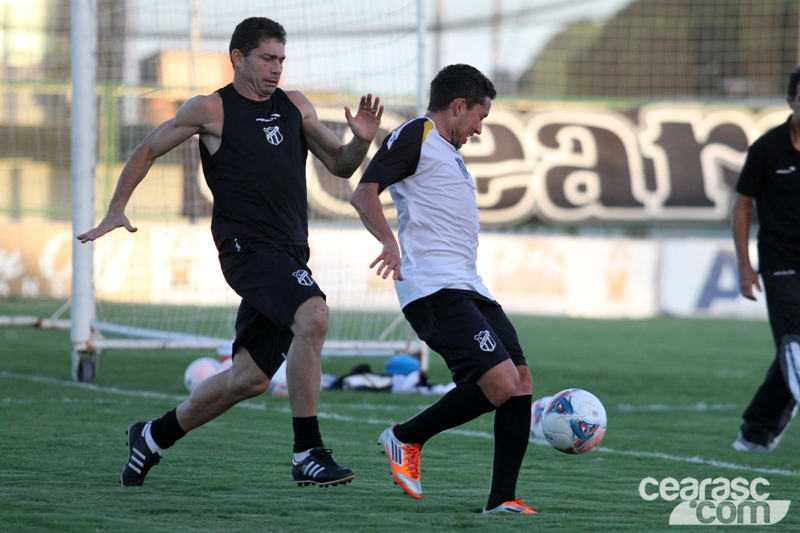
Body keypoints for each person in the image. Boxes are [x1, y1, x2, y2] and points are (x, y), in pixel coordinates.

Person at [77, 17, 383, 487]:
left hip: (288, 252)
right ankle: (308, 452)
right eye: (267, 58)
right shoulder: (211, 109)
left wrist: (360, 140)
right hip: (246, 249)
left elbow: (341, 165)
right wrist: (117, 208)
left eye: (281, 60)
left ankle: (151, 437)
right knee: (314, 315)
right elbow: (148, 149)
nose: (276, 68)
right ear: (237, 58)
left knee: (249, 379)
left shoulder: (295, 106)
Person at [349, 64, 535, 514]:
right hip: (434, 287)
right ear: (458, 106)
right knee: (498, 381)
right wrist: (388, 242)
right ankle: (406, 437)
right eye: (479, 118)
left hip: (468, 285)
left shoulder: (448, 151)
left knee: (520, 381)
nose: (479, 130)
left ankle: (502, 500)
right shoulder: (418, 133)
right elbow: (364, 192)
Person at [731, 66, 800, 452]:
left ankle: (755, 433)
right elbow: (742, 207)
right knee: (794, 342)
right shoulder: (767, 148)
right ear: (791, 101)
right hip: (780, 262)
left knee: (793, 350)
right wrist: (744, 265)